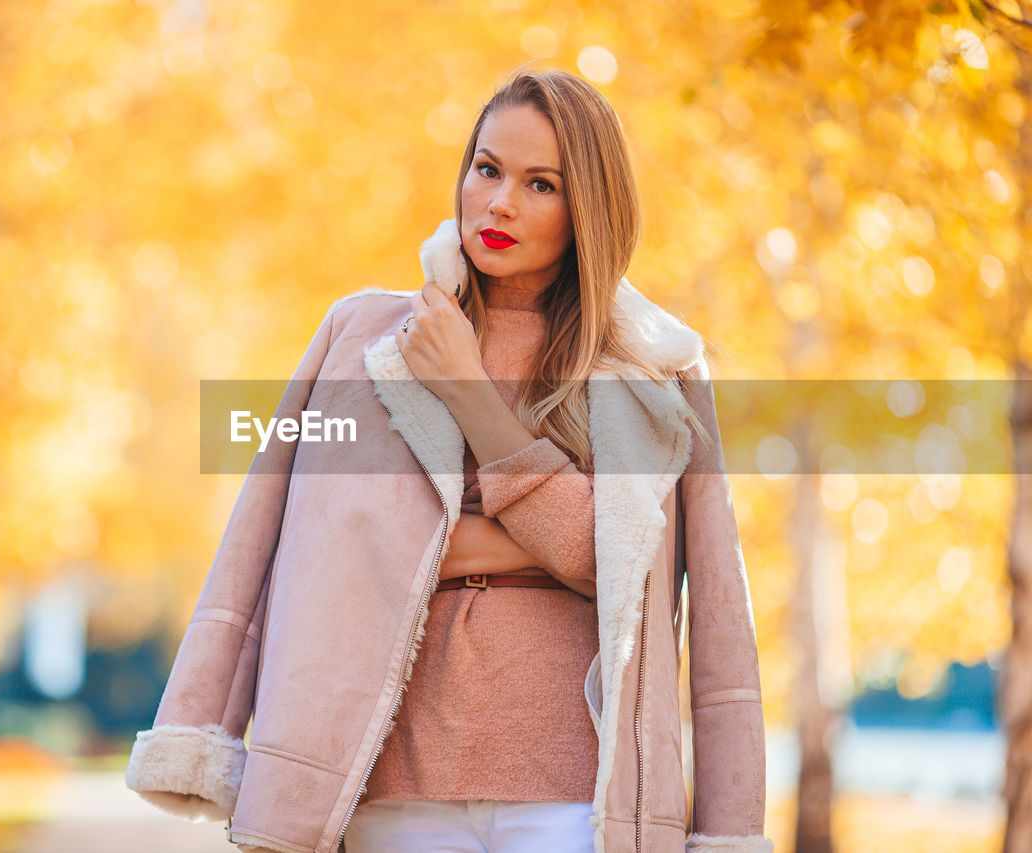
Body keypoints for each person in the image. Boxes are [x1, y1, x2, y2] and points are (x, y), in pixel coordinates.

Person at [125, 66, 772, 853]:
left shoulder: (652, 372)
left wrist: (470, 395)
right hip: (380, 782)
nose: (499, 202)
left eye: (542, 185)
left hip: (574, 796)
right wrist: (201, 722)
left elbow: (644, 579)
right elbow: (273, 545)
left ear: (587, 211)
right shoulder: (356, 338)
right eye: (488, 168)